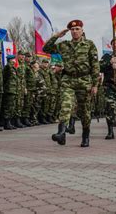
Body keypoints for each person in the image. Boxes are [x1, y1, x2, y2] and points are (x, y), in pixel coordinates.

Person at [43, 19, 99, 147]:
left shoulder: (89, 45)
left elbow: (95, 65)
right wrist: (57, 36)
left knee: (84, 111)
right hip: (68, 80)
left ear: (82, 30)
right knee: (65, 105)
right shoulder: (64, 45)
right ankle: (61, 133)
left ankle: (85, 136)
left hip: (84, 81)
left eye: (77, 29)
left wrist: (95, 84)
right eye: (72, 30)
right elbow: (46, 48)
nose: (74, 31)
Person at [2, 55, 19, 130]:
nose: (14, 60)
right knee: (8, 107)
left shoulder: (13, 68)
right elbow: (4, 78)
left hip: (13, 90)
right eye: (13, 59)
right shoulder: (8, 67)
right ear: (10, 60)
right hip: (9, 90)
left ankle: (10, 122)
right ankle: (6, 123)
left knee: (12, 107)